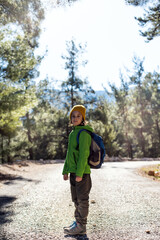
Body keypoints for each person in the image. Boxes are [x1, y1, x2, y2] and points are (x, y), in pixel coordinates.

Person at [62, 105, 93, 235]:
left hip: (82, 173)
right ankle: (78, 222)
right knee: (75, 199)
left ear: (83, 118)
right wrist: (65, 170)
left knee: (82, 200)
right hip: (74, 172)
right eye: (73, 116)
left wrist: (79, 173)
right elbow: (70, 154)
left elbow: (83, 155)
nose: (75, 118)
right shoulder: (73, 133)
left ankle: (81, 226)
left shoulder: (84, 133)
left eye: (78, 116)